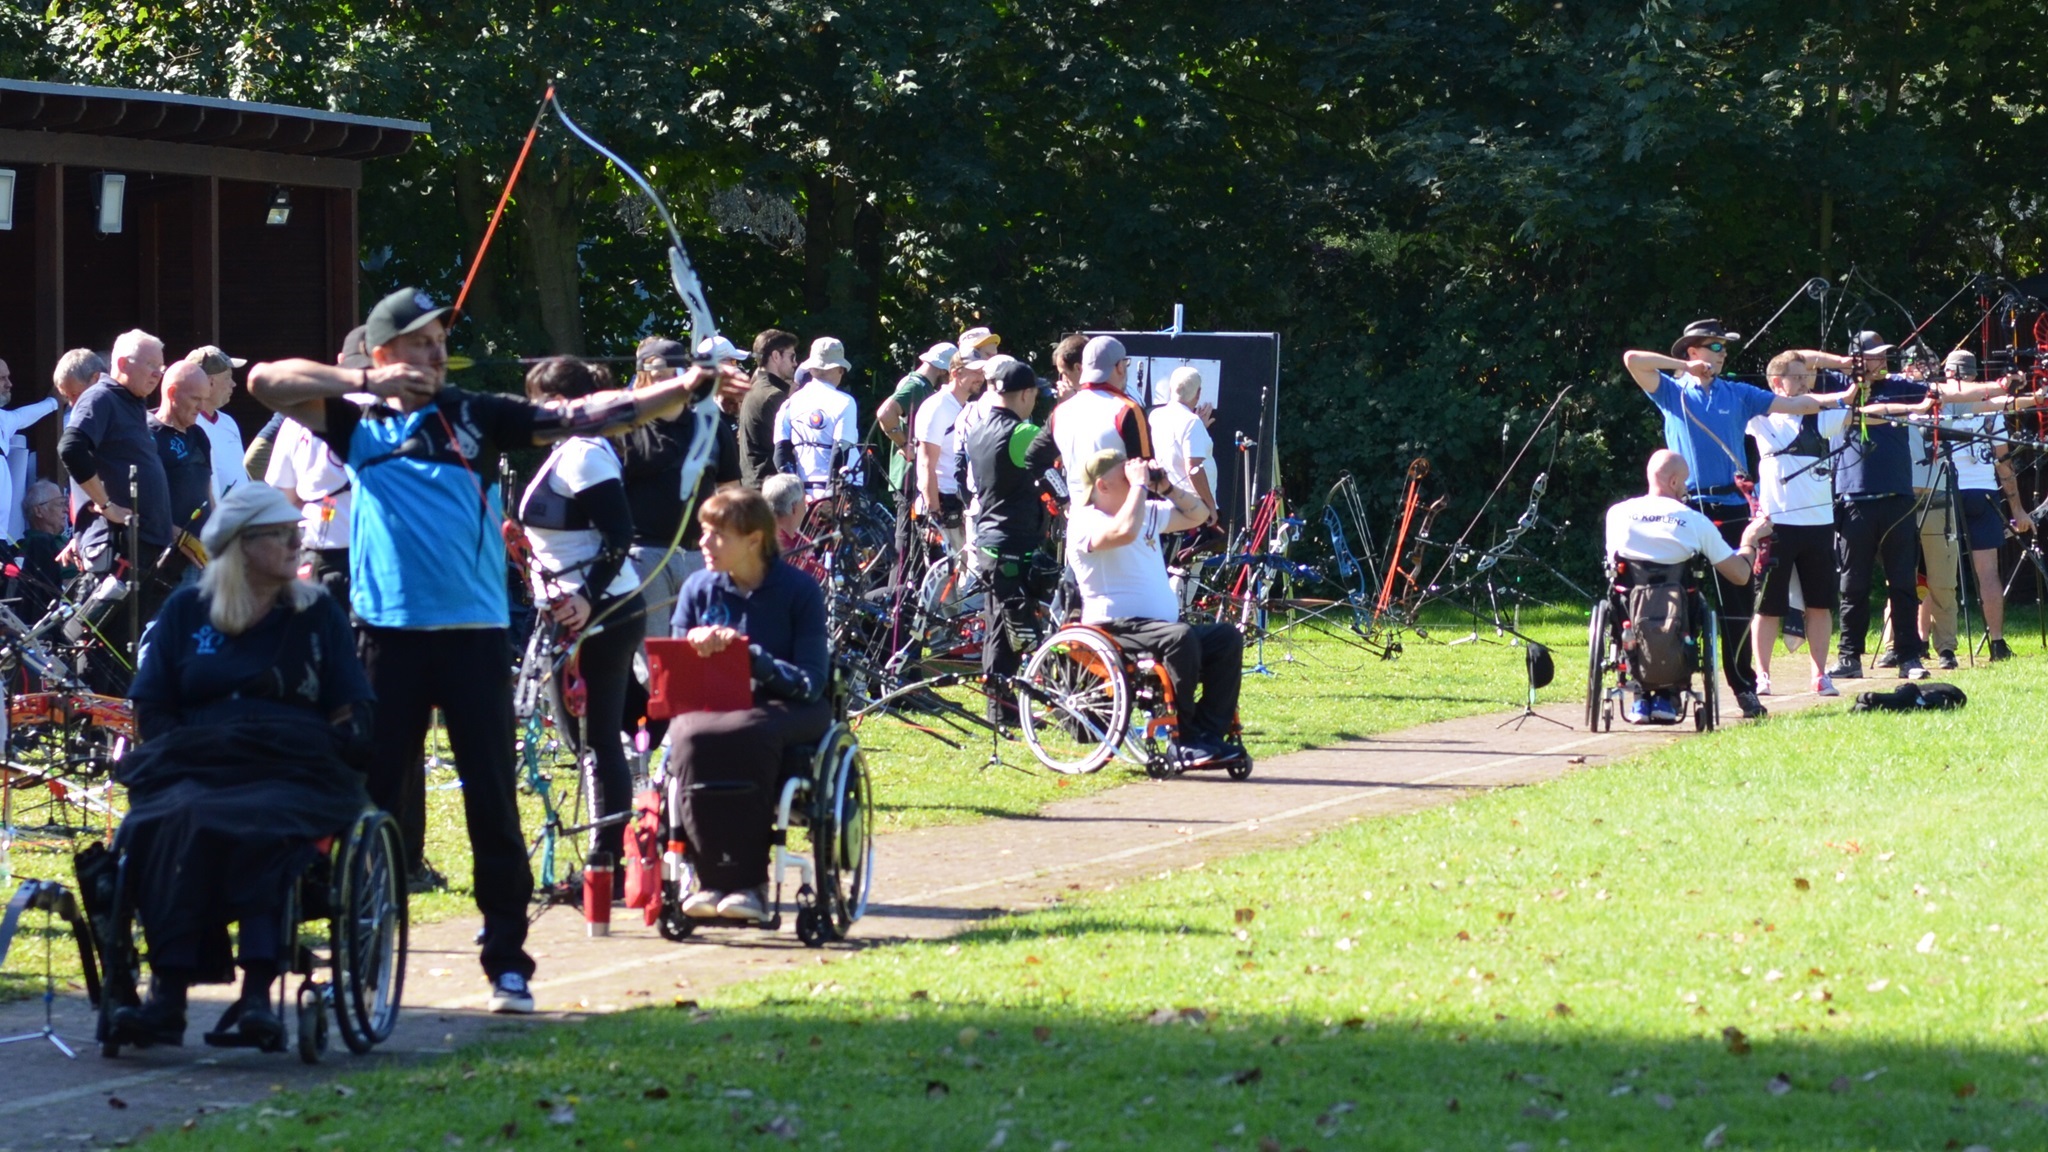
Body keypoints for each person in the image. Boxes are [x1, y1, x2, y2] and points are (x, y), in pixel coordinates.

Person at [248, 286, 741, 1014]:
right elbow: (264, 380)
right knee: (371, 799)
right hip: (387, 637)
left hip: (473, 638)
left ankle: (507, 961)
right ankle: (363, 941)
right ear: (384, 352)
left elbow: (582, 416)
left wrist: (679, 390)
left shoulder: (476, 414)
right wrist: (368, 381)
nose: (436, 352)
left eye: (440, 340)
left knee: (492, 802)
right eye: (420, 342)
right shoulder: (356, 423)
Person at [110, 483, 374, 1048]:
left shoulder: (317, 613)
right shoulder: (187, 610)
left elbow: (350, 702)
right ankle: (168, 996)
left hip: (291, 759)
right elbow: (152, 704)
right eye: (282, 534)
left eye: (297, 533)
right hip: (198, 756)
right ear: (243, 545)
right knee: (170, 818)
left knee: (266, 815)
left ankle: (258, 993)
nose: (297, 544)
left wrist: (350, 740)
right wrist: (185, 748)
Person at [1621, 319, 1844, 717]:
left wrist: (1845, 395)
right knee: (1670, 596)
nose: (1723, 354)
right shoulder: (1672, 391)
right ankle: (1665, 688)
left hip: (1732, 507)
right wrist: (1684, 368)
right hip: (1686, 508)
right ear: (1692, 350)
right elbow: (1633, 359)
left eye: (1724, 348)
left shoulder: (1738, 394)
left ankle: (1744, 686)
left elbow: (1798, 405)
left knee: (1738, 600)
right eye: (1715, 346)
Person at [666, 488, 831, 922]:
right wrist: (691, 648)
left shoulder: (799, 590)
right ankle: (709, 879)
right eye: (704, 532)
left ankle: (749, 883)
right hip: (713, 707)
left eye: (718, 534)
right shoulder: (698, 589)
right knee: (689, 736)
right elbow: (673, 678)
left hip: (786, 706)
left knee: (746, 732)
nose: (704, 542)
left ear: (755, 539)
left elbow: (812, 681)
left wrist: (751, 658)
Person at [517, 356, 646, 890]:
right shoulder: (571, 450)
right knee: (592, 739)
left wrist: (588, 598)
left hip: (600, 614)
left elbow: (620, 533)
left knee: (596, 741)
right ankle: (607, 859)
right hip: (576, 612)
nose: (532, 413)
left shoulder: (585, 453)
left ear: (562, 404)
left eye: (538, 403)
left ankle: (604, 867)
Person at [1066, 448, 1240, 762]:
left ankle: (1208, 735)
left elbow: (1199, 515)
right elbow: (1123, 532)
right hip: (1114, 628)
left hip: (1156, 628)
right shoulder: (1085, 520)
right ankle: (1182, 738)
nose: (1136, 478)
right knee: (1179, 638)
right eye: (1125, 475)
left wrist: (1167, 488)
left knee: (1226, 638)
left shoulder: (1143, 511)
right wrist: (1138, 486)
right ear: (1102, 485)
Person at [1604, 450, 1771, 722]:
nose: (1686, 489)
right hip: (1677, 613)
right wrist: (1749, 540)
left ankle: (1641, 696)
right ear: (1673, 482)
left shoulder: (1617, 515)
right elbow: (1740, 575)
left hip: (1629, 614)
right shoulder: (1694, 521)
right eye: (1684, 482)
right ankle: (1667, 694)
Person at [1745, 351, 1854, 697]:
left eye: (1807, 376)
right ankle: (1762, 676)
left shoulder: (1821, 417)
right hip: (1776, 525)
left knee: (1819, 604)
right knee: (1767, 606)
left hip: (1819, 525)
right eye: (1797, 377)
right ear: (1777, 383)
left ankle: (1819, 674)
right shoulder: (1760, 418)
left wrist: (1851, 371)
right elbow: (1729, 405)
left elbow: (1855, 405)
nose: (1806, 382)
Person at [618, 335, 742, 632]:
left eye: (671, 374)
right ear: (642, 377)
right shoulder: (625, 431)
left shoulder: (710, 426)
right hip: (644, 557)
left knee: (702, 650)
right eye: (656, 374)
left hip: (702, 555)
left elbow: (732, 493)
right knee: (653, 653)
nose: (664, 382)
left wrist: (732, 549)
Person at [60, 329, 174, 606]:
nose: (157, 373)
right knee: (104, 633)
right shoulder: (101, 397)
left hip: (142, 546)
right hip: (119, 548)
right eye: (151, 364)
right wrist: (107, 505)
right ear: (122, 363)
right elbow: (71, 448)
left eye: (160, 367)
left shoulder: (131, 403)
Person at [964, 359, 1048, 723]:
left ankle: (1000, 703)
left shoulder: (978, 427)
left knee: (996, 620)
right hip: (1012, 538)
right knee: (1007, 625)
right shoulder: (1023, 432)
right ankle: (1001, 709)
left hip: (989, 534)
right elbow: (1055, 465)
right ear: (1026, 394)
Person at [1025, 336, 1154, 500]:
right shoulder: (1127, 409)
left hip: (1078, 511)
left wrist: (1063, 498)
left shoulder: (1061, 411)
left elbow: (1033, 458)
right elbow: (1146, 474)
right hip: (1120, 512)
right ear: (1120, 367)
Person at [878, 342, 955, 586]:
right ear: (944, 370)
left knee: (912, 542)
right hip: (909, 477)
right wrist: (904, 444)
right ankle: (897, 596)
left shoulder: (915, 384)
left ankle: (906, 593)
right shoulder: (916, 386)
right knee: (906, 541)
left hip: (911, 476)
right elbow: (885, 413)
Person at [914, 346, 986, 553]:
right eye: (975, 372)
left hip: (962, 505)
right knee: (948, 572)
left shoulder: (966, 407)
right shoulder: (937, 406)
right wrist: (934, 516)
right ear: (955, 373)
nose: (980, 377)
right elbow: (926, 465)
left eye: (982, 372)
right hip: (943, 507)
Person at [773, 337, 861, 501]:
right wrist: (829, 498)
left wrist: (798, 495)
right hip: (838, 495)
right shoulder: (845, 402)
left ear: (811, 369)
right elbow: (840, 452)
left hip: (800, 496)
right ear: (839, 369)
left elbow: (780, 454)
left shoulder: (789, 403)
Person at [150, 360, 216, 556]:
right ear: (172, 393)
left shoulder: (199, 435)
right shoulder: (145, 436)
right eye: (196, 399)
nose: (201, 407)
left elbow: (207, 492)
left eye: (204, 399)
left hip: (204, 554)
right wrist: (177, 536)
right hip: (163, 556)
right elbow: (135, 505)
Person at [0, 355, 60, 544]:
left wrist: (54, 402)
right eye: (2, 378)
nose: (9, 384)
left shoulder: (3, 419)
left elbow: (22, 416)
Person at [1148, 365, 1219, 524]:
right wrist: (1211, 505)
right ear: (1198, 393)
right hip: (1192, 505)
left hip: (1169, 497)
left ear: (1170, 388)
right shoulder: (1192, 422)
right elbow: (1193, 469)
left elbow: (1176, 442)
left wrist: (1199, 429)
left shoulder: (1156, 415)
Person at [737, 328, 799, 489]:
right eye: (792, 357)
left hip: (753, 485)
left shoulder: (755, 389)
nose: (795, 363)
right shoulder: (773, 396)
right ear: (776, 356)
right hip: (770, 489)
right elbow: (791, 447)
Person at [186, 345, 250, 498]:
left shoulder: (228, 422)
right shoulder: (188, 423)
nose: (233, 384)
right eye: (227, 377)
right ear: (210, 382)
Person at [15, 479, 74, 622]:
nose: (66, 510)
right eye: (60, 503)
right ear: (39, 511)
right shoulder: (31, 546)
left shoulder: (66, 541)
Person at [763, 472, 826, 582]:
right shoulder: (781, 548)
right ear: (793, 508)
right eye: (803, 500)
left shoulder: (793, 537)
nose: (806, 505)